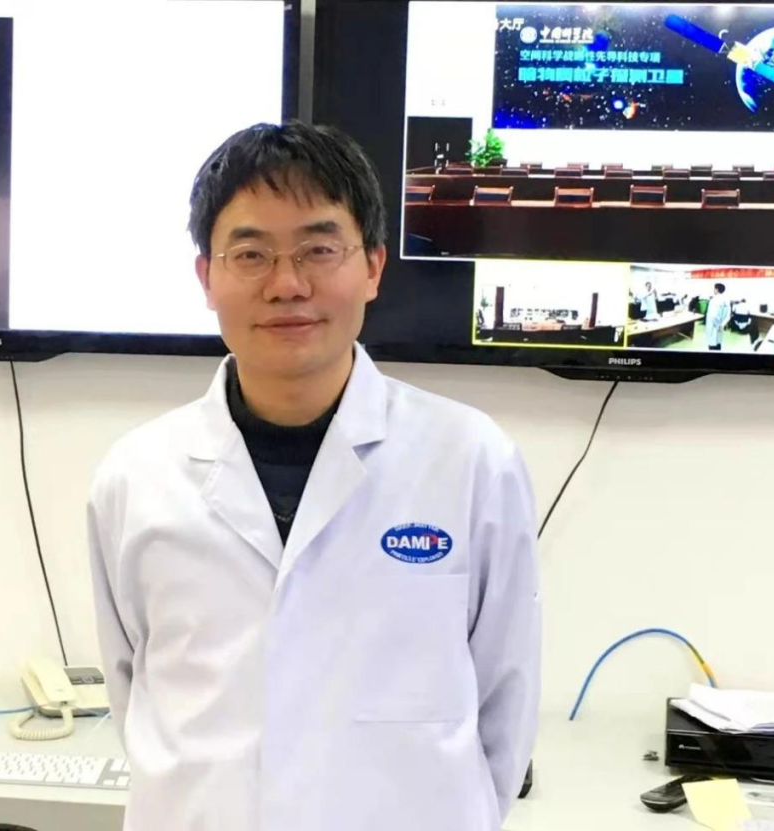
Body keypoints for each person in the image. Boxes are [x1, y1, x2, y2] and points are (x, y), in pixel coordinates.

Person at [87, 121, 541, 831]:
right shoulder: (136, 477)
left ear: (373, 266)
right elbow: (134, 695)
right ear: (206, 278)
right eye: (251, 254)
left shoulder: (471, 460)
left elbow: (506, 709)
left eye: (319, 249)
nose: (287, 284)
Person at [705, 282, 732, 350]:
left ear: (717, 289)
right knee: (718, 343)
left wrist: (717, 325)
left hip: (713, 326)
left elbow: (713, 315)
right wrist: (721, 325)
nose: (713, 290)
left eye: (714, 289)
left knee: (712, 344)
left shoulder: (714, 300)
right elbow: (728, 315)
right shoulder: (727, 300)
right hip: (720, 326)